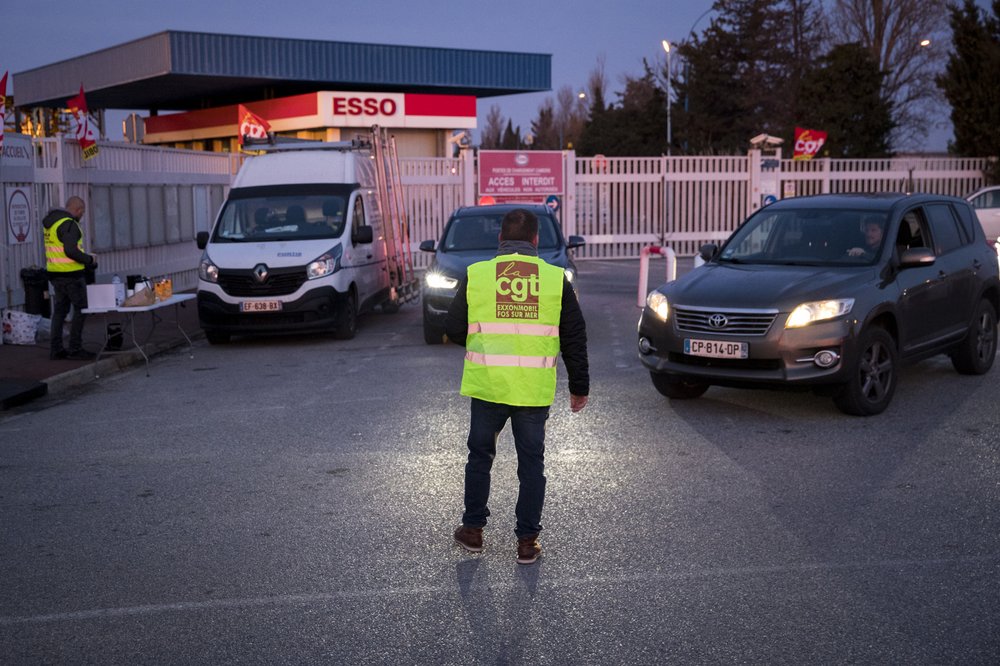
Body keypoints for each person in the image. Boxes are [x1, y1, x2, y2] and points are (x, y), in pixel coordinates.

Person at [446, 208, 589, 565]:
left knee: (480, 457)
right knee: (531, 465)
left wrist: (485, 343)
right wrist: (579, 386)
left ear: (500, 239)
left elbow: (453, 326)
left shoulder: (477, 275)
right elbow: (574, 337)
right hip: (532, 390)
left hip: (489, 386)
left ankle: (473, 531)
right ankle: (527, 542)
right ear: (536, 240)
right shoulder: (555, 279)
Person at [44, 196, 98, 360]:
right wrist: (89, 260)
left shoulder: (51, 224)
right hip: (72, 275)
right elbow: (71, 251)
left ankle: (56, 349)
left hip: (55, 274)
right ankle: (75, 347)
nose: (82, 215)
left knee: (60, 311)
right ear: (78, 209)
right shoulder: (69, 224)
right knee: (81, 309)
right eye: (82, 212)